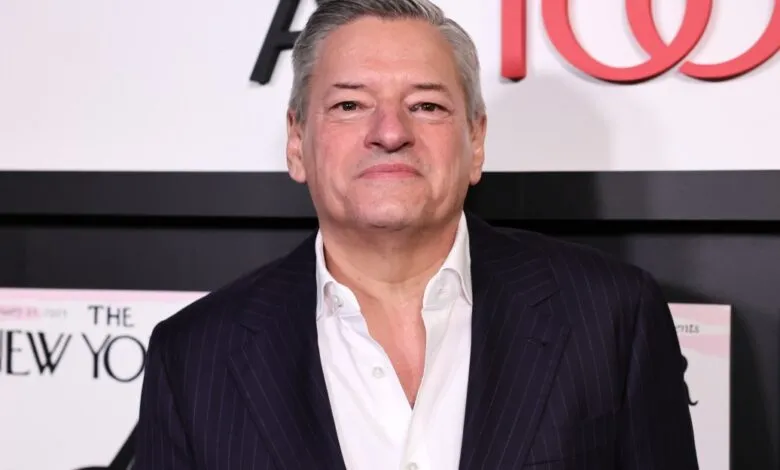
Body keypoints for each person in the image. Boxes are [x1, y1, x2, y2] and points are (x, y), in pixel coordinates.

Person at [135, 0, 699, 468]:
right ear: (296, 140)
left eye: (425, 105)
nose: (389, 133)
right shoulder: (193, 356)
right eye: (350, 104)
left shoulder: (611, 317)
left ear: (475, 141)